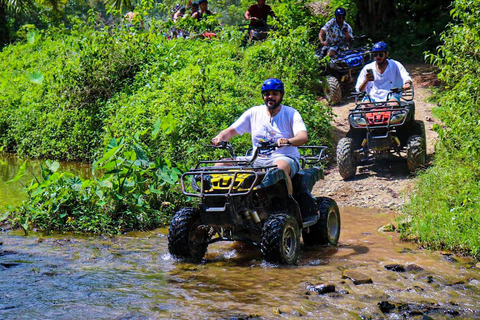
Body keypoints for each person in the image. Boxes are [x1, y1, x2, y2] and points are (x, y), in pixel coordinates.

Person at [211, 78, 308, 195]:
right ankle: (226, 203)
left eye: (274, 94)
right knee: (220, 165)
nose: (270, 97)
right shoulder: (254, 112)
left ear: (281, 95)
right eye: (267, 94)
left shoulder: (291, 113)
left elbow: (303, 137)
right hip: (256, 159)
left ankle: (287, 205)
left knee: (278, 169)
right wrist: (220, 137)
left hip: (284, 157)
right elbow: (231, 131)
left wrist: (288, 141)